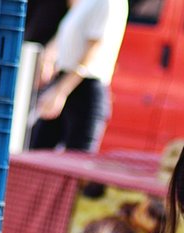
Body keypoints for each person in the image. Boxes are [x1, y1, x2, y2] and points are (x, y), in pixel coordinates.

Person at [29, 0, 128, 152]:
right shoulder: (84, 3)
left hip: (84, 90)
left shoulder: (109, 2)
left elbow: (93, 51)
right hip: (64, 80)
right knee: (37, 153)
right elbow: (65, 34)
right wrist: (48, 59)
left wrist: (60, 91)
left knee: (77, 163)